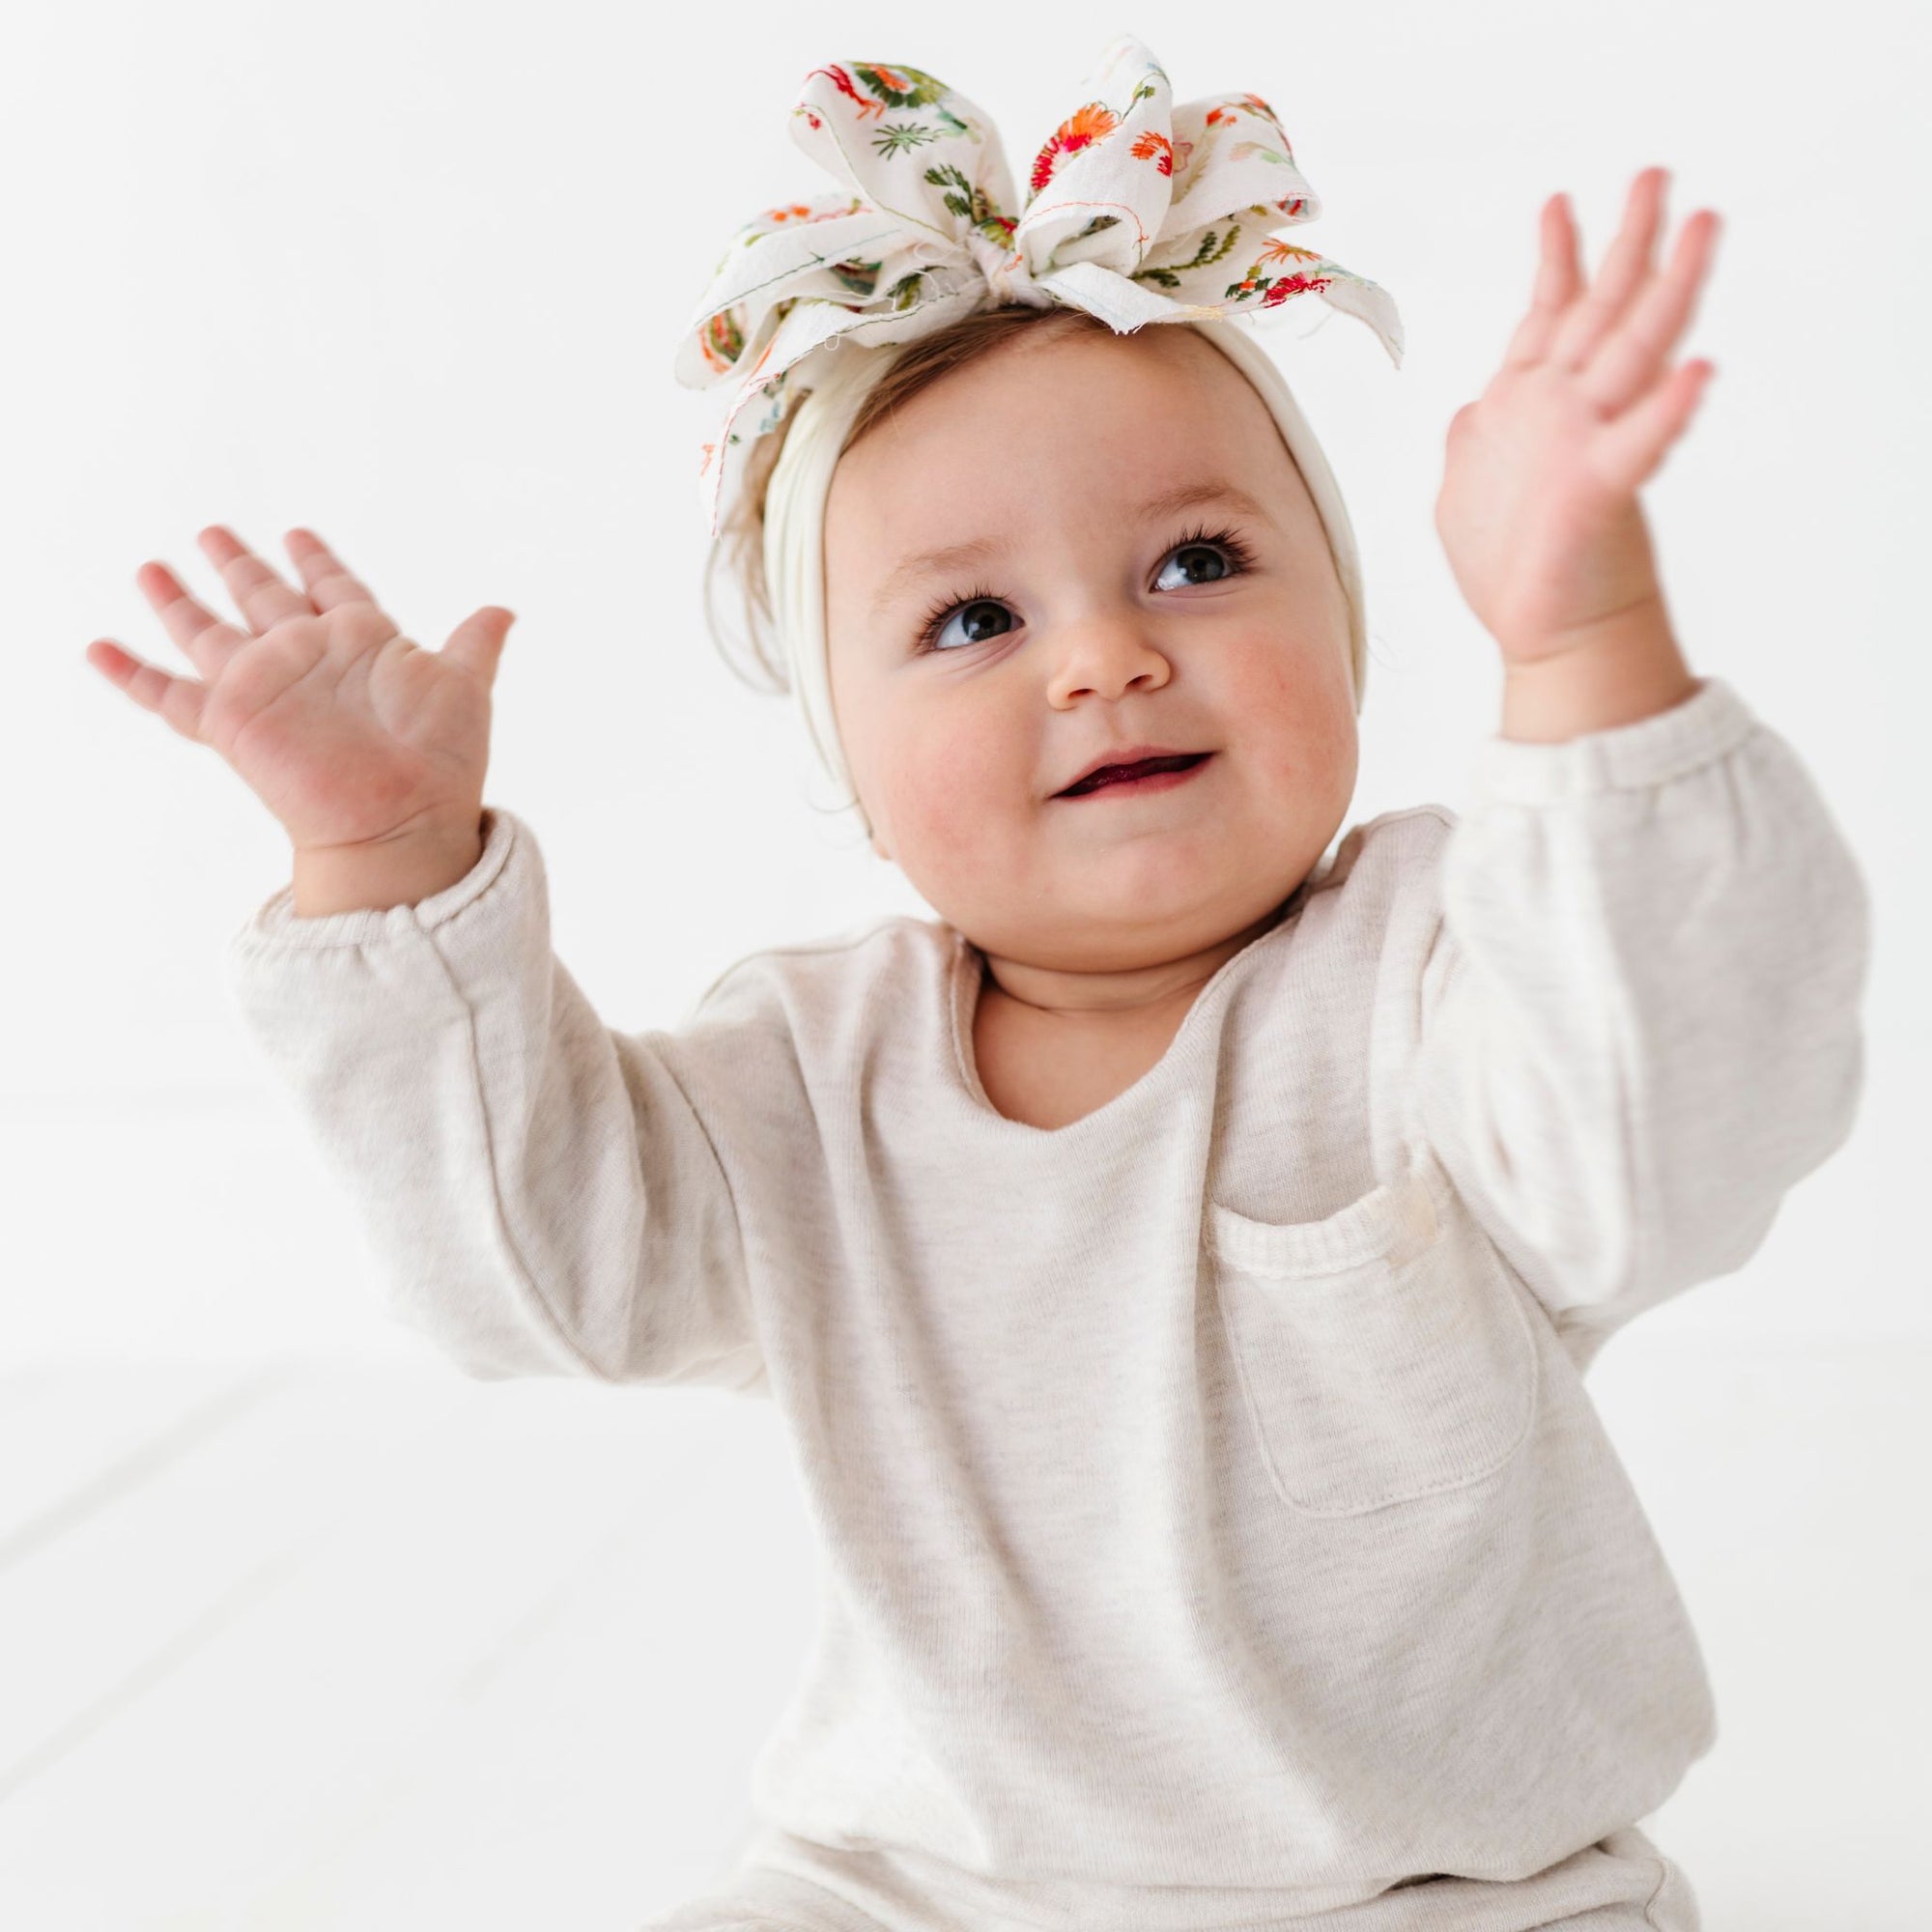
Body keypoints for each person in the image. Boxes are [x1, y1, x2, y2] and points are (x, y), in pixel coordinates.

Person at [83, 36, 1869, 1932]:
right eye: (971, 617)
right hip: (916, 1887)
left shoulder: (1441, 970)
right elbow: (533, 1274)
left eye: (1196, 560)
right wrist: (385, 858)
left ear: (1350, 628)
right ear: (847, 768)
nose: (1101, 656)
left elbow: (1672, 1123)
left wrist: (1585, 640)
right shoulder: (806, 1075)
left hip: (1438, 1888)